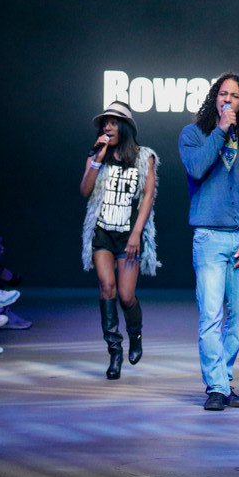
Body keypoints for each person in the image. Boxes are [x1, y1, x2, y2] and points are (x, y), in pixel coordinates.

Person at [178, 73, 239, 410]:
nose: (228, 99)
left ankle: (222, 379)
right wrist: (220, 131)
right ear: (215, 97)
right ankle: (217, 387)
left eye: (235, 96)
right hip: (209, 238)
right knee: (211, 315)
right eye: (223, 93)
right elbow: (197, 168)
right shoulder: (193, 135)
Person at [79, 102, 160, 380]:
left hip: (128, 236)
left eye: (112, 123)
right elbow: (85, 190)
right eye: (105, 123)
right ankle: (114, 351)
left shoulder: (144, 157)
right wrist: (97, 158)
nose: (107, 127)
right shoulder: (96, 156)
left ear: (124, 127)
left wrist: (136, 233)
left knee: (126, 296)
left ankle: (135, 335)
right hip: (102, 233)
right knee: (106, 288)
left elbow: (148, 196)